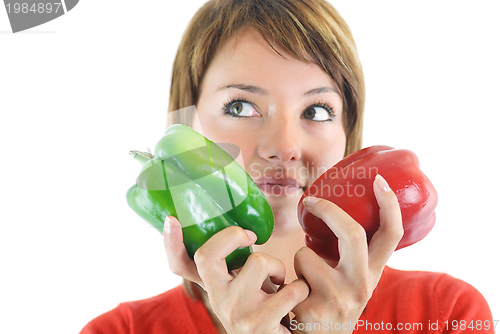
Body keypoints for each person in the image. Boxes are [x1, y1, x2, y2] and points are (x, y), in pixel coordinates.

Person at [81, 0, 494, 333]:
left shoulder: (445, 315)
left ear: (349, 136)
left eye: (316, 109)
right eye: (240, 106)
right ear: (186, 129)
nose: (284, 147)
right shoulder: (118, 331)